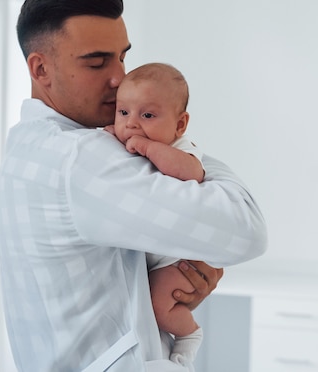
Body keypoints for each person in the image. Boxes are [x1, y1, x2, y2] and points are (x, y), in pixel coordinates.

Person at [0, 1, 267, 371]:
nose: (120, 78)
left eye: (122, 57)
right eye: (96, 62)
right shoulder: (80, 157)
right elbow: (246, 228)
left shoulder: (25, 147)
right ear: (41, 68)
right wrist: (180, 148)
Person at [104, 62, 206, 362]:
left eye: (147, 115)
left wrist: (149, 148)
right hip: (150, 258)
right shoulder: (122, 142)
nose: (132, 124)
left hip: (176, 260)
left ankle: (189, 334)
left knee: (160, 308)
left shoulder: (181, 148)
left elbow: (192, 173)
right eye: (124, 113)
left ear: (180, 124)